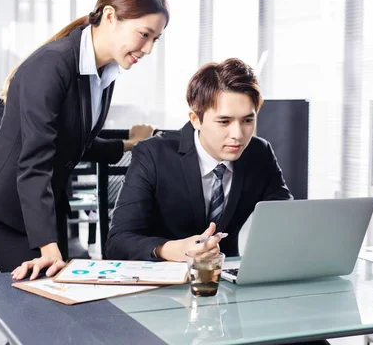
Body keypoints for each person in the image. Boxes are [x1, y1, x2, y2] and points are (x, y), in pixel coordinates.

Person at [0, 0, 169, 280]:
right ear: (111, 17)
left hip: (45, 202)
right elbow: (35, 163)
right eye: (144, 34)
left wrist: (129, 143)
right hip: (6, 207)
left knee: (57, 300)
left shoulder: (103, 72)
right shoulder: (52, 66)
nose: (149, 49)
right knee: (46, 297)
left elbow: (74, 140)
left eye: (155, 39)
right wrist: (49, 248)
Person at [105, 58, 293, 262]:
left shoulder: (259, 152)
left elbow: (285, 221)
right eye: (224, 121)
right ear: (196, 119)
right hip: (166, 279)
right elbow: (118, 242)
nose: (238, 134)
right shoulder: (153, 154)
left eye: (248, 120)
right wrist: (173, 250)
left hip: (226, 280)